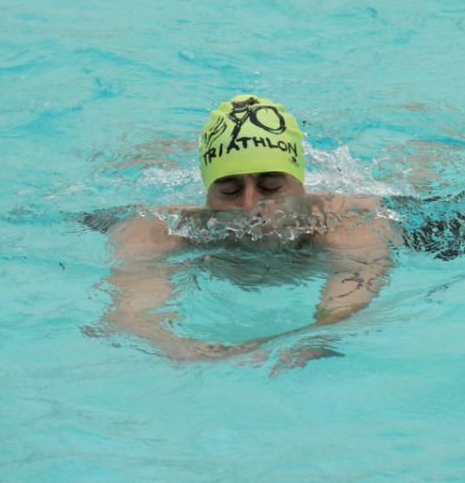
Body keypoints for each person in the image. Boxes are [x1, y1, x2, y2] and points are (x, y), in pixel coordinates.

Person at [102, 94, 401, 364]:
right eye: (229, 191)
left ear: (301, 185)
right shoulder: (160, 230)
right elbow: (131, 316)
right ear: (207, 194)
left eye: (271, 187)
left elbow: (344, 312)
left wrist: (306, 342)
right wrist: (178, 348)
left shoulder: (351, 222)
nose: (249, 206)